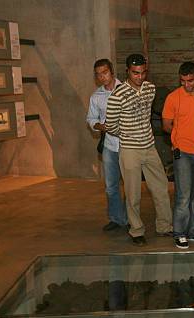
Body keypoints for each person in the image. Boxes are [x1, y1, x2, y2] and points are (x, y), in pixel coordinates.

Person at [105, 53, 173, 246]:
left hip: (150, 147)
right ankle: (136, 230)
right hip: (130, 151)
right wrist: (128, 134)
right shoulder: (117, 95)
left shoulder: (150, 89)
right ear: (127, 71)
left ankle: (164, 226)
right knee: (133, 194)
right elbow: (111, 125)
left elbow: (147, 114)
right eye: (135, 73)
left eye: (143, 72)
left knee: (160, 188)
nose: (140, 77)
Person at [162, 62, 194, 249]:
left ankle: (193, 231)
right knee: (183, 195)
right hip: (182, 151)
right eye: (183, 81)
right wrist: (178, 134)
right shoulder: (173, 97)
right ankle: (179, 232)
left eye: (190, 80)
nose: (186, 84)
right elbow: (166, 124)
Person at [86, 59, 128, 232]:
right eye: (98, 74)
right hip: (110, 146)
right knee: (111, 186)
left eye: (105, 72)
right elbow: (91, 119)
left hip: (128, 144)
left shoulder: (126, 90)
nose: (102, 76)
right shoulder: (96, 97)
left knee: (131, 186)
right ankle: (117, 219)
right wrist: (99, 126)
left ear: (112, 72)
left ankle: (132, 219)